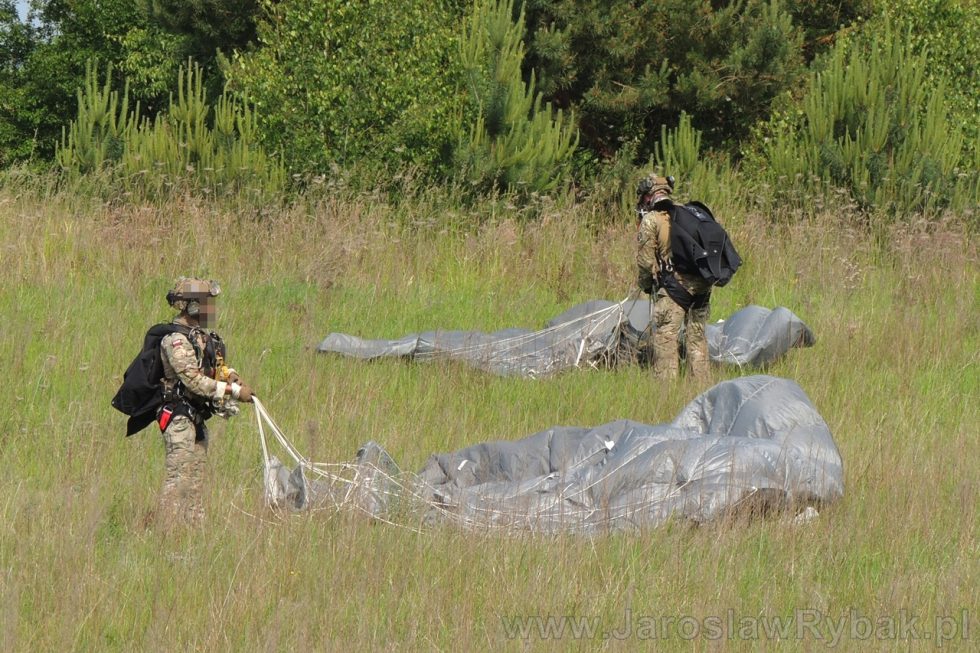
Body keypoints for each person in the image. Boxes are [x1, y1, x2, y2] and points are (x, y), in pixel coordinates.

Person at [156, 277, 254, 527]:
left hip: (198, 417)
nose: (211, 309)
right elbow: (193, 381)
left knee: (196, 482)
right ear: (191, 306)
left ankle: (193, 533)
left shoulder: (202, 336)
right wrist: (232, 391)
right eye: (206, 303)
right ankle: (166, 533)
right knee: (177, 480)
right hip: (179, 418)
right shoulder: (175, 340)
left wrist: (231, 375)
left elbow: (213, 366)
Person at [635, 174, 713, 381]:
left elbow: (645, 263)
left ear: (648, 196)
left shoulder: (651, 220)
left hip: (675, 289)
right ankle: (702, 387)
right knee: (697, 337)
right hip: (703, 286)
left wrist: (646, 284)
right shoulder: (689, 213)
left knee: (665, 336)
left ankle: (666, 392)